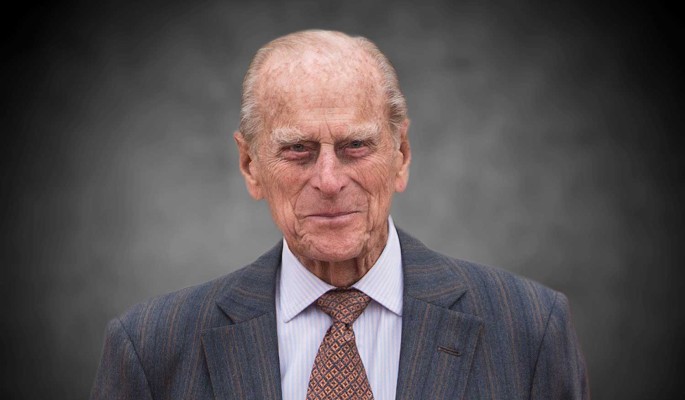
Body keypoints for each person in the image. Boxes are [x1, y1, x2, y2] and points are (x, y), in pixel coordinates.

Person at [91, 30, 589, 399]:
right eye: (298, 149)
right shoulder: (152, 349)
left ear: (401, 155)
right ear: (250, 165)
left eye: (355, 146)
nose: (329, 181)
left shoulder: (528, 330)